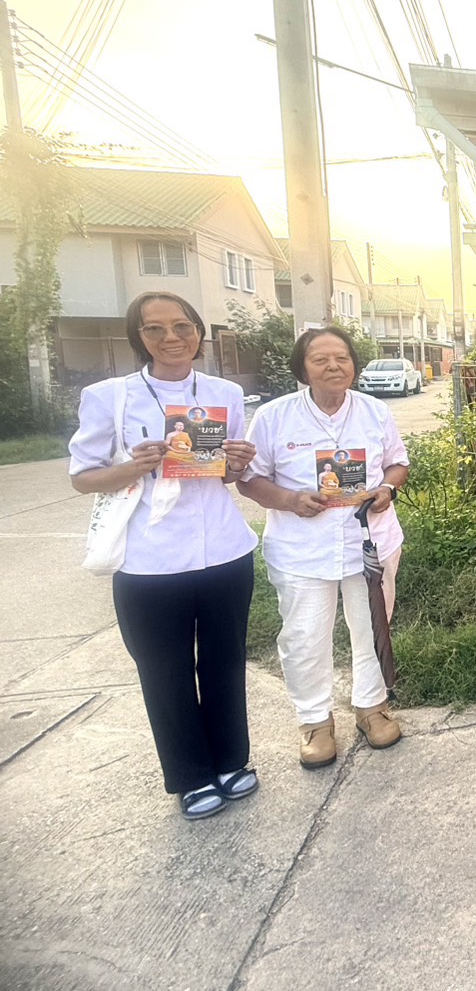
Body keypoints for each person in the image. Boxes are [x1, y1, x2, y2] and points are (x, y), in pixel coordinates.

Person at [67, 292, 260, 819]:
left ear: (199, 332)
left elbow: (229, 474)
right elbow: (83, 478)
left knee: (224, 662)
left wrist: (238, 463)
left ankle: (230, 762)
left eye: (182, 325)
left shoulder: (223, 391)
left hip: (223, 552)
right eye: (155, 329)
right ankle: (191, 776)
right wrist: (133, 467)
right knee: (165, 669)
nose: (172, 337)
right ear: (140, 337)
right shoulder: (112, 396)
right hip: (149, 563)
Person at [238, 327, 409, 768]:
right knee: (304, 635)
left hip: (369, 541)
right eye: (321, 360)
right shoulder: (274, 417)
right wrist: (291, 501)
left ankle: (371, 707)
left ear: (354, 364)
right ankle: (314, 720)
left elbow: (397, 462)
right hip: (302, 547)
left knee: (373, 626)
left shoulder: (373, 411)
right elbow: (250, 479)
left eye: (342, 358)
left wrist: (387, 488)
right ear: (303, 368)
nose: (334, 366)